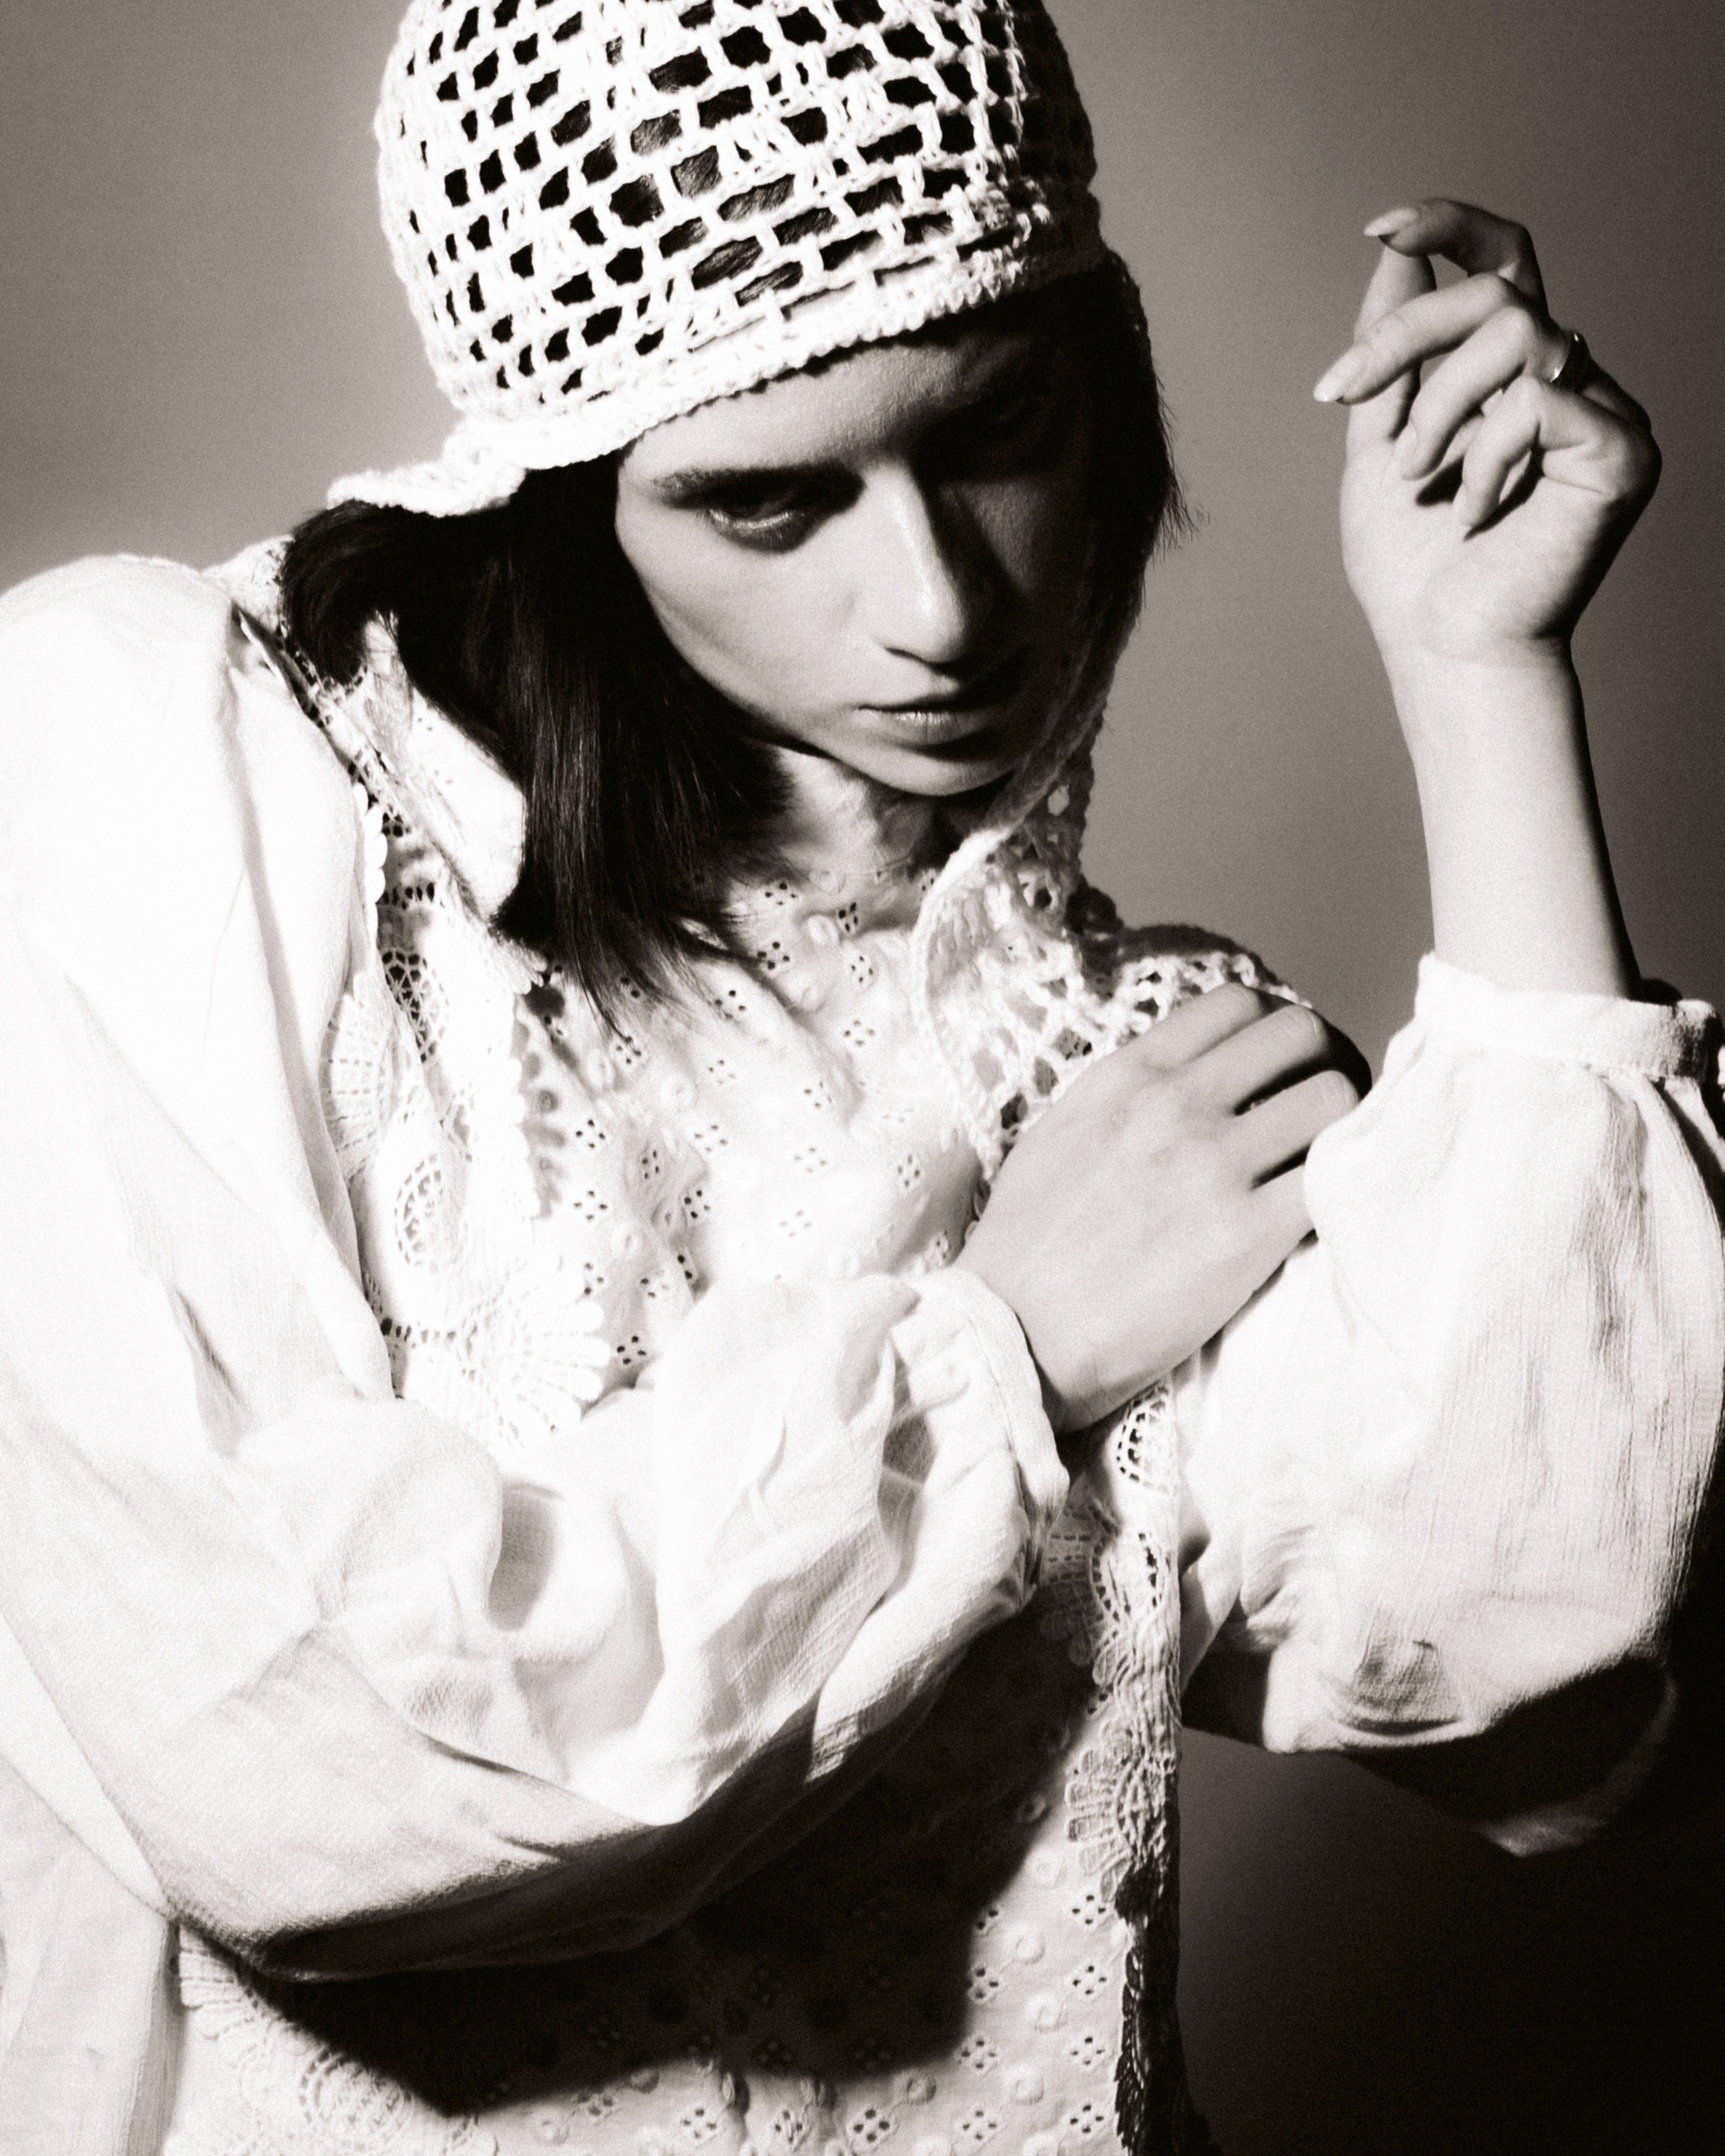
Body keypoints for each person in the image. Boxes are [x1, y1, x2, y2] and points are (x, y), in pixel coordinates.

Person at [0, 2, 1718, 2152]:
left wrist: (1485, 677)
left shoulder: (1112, 1065)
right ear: (565, 496)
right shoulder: (156, 775)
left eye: (995, 432)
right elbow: (291, 1769)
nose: (936, 605)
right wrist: (1000, 1355)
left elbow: (1549, 1677)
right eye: (768, 500)